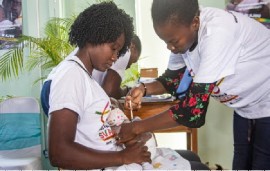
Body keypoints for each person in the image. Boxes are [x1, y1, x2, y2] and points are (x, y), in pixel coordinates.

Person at [117, 0, 270, 170]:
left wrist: (137, 127)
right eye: (165, 41)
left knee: (261, 161)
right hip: (245, 105)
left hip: (267, 98)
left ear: (195, 23)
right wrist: (143, 89)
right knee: (241, 158)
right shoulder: (184, 36)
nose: (170, 48)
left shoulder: (217, 33)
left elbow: (192, 112)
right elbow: (172, 80)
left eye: (173, 41)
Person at [41, 2, 151, 170]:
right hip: (113, 163)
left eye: (118, 52)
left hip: (115, 161)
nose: (115, 58)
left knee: (189, 160)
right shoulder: (71, 74)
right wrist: (123, 156)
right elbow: (59, 153)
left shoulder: (88, 77)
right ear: (94, 36)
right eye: (113, 49)